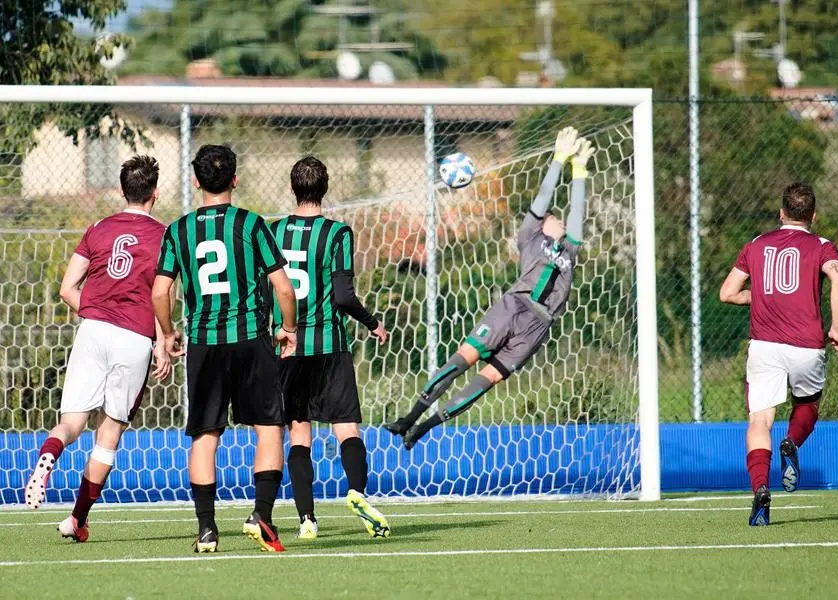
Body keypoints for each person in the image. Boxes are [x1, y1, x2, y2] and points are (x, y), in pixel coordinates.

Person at [383, 128, 593, 449]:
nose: (561, 220)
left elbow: (578, 214)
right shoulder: (531, 237)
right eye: (555, 217)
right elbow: (542, 199)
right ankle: (408, 418)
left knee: (487, 381)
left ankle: (424, 427)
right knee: (461, 360)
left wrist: (579, 170)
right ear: (543, 222)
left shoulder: (570, 250)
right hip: (512, 308)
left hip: (538, 326)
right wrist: (559, 159)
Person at [152, 145, 298, 553]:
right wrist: (289, 328)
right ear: (234, 179)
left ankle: (206, 530)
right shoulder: (251, 224)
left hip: (204, 343)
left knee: (205, 434)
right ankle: (262, 516)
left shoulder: (178, 230)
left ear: (196, 181)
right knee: (268, 428)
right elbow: (283, 287)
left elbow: (160, 290)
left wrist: (167, 332)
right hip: (251, 339)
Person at [25, 156, 170, 543]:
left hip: (92, 331)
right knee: (109, 432)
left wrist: (95, 313)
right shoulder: (164, 236)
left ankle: (49, 455)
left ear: (121, 191)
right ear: (155, 193)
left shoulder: (98, 228)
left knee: (71, 423)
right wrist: (163, 341)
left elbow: (67, 288)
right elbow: (162, 293)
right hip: (134, 337)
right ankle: (77, 519)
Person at [271, 156, 390, 539]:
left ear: (293, 189)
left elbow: (264, 289)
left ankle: (306, 518)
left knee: (299, 431)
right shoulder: (338, 234)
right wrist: (373, 322)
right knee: (346, 427)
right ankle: (356, 492)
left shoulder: (273, 233)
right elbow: (342, 297)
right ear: (325, 189)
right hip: (330, 344)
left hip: (289, 346)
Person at [719, 181, 838, 526]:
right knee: (807, 404)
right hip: (806, 345)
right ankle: (791, 442)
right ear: (813, 216)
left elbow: (727, 293)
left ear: (781, 213)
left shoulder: (757, 244)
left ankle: (761, 488)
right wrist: (836, 327)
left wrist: (759, 296)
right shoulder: (822, 246)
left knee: (759, 420)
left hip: (764, 346)